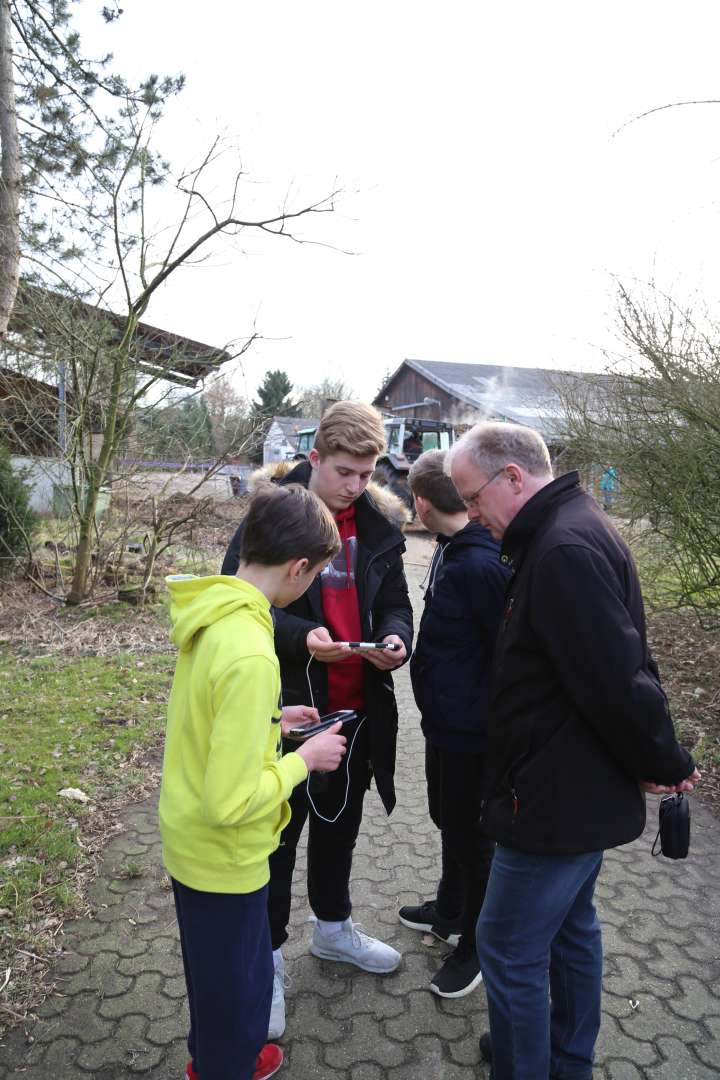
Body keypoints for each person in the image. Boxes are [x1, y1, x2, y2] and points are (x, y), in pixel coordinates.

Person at [447, 422, 700, 1080]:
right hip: (570, 785)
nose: (471, 516)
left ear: (512, 477)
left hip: (555, 797)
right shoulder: (569, 528)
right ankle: (563, 1059)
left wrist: (663, 761)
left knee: (504, 946)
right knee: (569, 928)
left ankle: (534, 1065)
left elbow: (619, 679)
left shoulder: (561, 549)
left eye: (473, 499)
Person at [222, 401, 414, 1039]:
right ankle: (267, 960)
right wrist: (304, 637)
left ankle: (333, 930)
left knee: (342, 826)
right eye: (343, 472)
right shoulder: (275, 517)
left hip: (358, 707)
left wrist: (394, 641)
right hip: (286, 709)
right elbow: (238, 600)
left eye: (366, 473)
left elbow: (395, 601)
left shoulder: (381, 525)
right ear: (313, 460)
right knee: (276, 837)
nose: (356, 486)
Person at [159, 484, 348, 1080]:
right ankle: (222, 1064)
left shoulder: (217, 615)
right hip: (225, 857)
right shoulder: (252, 651)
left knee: (216, 976)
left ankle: (223, 1051)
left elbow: (213, 721)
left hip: (190, 843)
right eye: (316, 573)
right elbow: (231, 801)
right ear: (298, 568)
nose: (312, 584)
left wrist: (274, 722)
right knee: (236, 991)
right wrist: (304, 759)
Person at [398, 450, 510, 998]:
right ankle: (450, 909)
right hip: (444, 723)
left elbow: (506, 654)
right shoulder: (448, 550)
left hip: (474, 733)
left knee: (475, 836)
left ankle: (478, 946)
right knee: (449, 819)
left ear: (420, 500)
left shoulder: (482, 564)